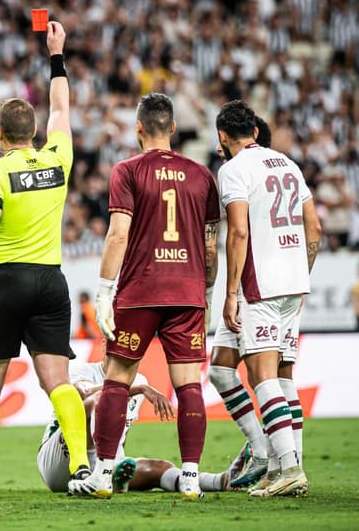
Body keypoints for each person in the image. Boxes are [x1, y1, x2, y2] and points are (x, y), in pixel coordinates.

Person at [0, 21, 89, 499]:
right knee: (58, 381)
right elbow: (63, 107)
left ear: (0, 134)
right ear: (34, 132)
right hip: (51, 281)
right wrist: (56, 55)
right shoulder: (58, 158)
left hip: (5, 282)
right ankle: (85, 469)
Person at [68, 92, 220, 500]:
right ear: (172, 128)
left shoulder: (127, 170)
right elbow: (210, 245)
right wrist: (206, 291)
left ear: (138, 127)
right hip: (187, 293)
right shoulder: (203, 175)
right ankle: (190, 476)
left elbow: (118, 233)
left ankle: (101, 474)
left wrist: (103, 290)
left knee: (117, 380)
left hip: (139, 291)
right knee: (189, 385)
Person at [215, 100, 322, 497]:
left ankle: (289, 468)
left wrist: (230, 294)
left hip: (261, 285)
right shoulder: (288, 164)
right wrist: (300, 271)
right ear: (256, 132)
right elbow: (315, 227)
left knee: (263, 376)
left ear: (223, 138)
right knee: (278, 374)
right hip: (295, 283)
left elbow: (238, 233)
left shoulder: (233, 170)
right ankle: (284, 464)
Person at [38, 356, 235, 494]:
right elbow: (85, 392)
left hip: (102, 462)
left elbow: (121, 434)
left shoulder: (139, 380)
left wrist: (117, 462)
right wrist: (137, 389)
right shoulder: (85, 370)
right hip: (60, 459)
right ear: (106, 347)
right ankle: (97, 475)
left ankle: (221, 481)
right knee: (101, 399)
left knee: (158, 468)